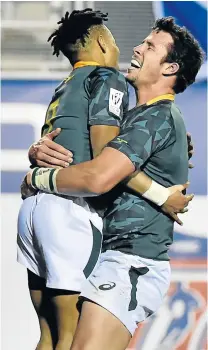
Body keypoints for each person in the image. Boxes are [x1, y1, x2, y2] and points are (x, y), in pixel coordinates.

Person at [26, 17, 204, 350]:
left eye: (150, 46)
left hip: (131, 264)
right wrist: (36, 152)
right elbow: (92, 159)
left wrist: (36, 177)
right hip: (108, 257)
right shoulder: (141, 118)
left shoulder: (156, 118)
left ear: (171, 68)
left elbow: (98, 177)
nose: (137, 48)